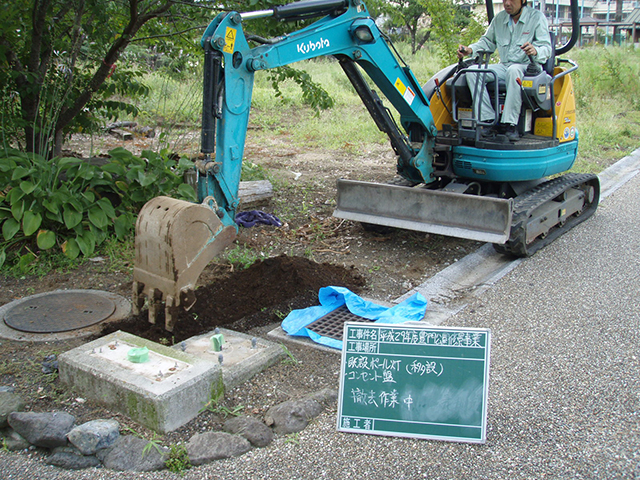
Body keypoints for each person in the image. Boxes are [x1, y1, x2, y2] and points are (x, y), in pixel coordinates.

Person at [457, 0, 551, 141]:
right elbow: (487, 42)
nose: (507, 3)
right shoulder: (500, 19)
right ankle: (487, 120)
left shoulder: (536, 18)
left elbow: (546, 48)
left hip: (528, 67)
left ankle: (510, 124)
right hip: (505, 65)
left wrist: (535, 50)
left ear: (523, 1)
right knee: (473, 72)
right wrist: (471, 50)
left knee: (513, 71)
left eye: (512, 0)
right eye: (504, 0)